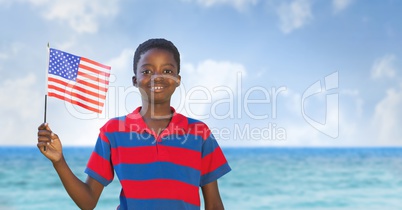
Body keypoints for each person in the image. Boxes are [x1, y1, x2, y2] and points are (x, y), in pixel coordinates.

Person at [37, 38, 231, 210]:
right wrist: (59, 161)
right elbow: (88, 201)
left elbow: (213, 204)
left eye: (167, 71)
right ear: (135, 80)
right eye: (147, 71)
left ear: (178, 80)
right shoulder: (113, 131)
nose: (157, 77)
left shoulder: (199, 133)